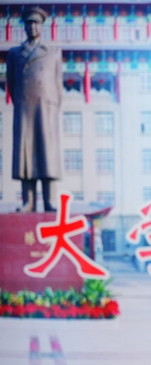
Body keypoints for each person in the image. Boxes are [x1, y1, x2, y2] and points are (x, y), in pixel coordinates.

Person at [7, 7, 63, 213]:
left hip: (45, 108)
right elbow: (12, 82)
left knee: (47, 152)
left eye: (36, 23)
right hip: (25, 107)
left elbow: (58, 82)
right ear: (24, 27)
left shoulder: (53, 51)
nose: (32, 27)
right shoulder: (14, 53)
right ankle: (28, 201)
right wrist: (21, 102)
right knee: (25, 153)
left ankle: (49, 200)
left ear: (42, 26)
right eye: (29, 23)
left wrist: (52, 105)